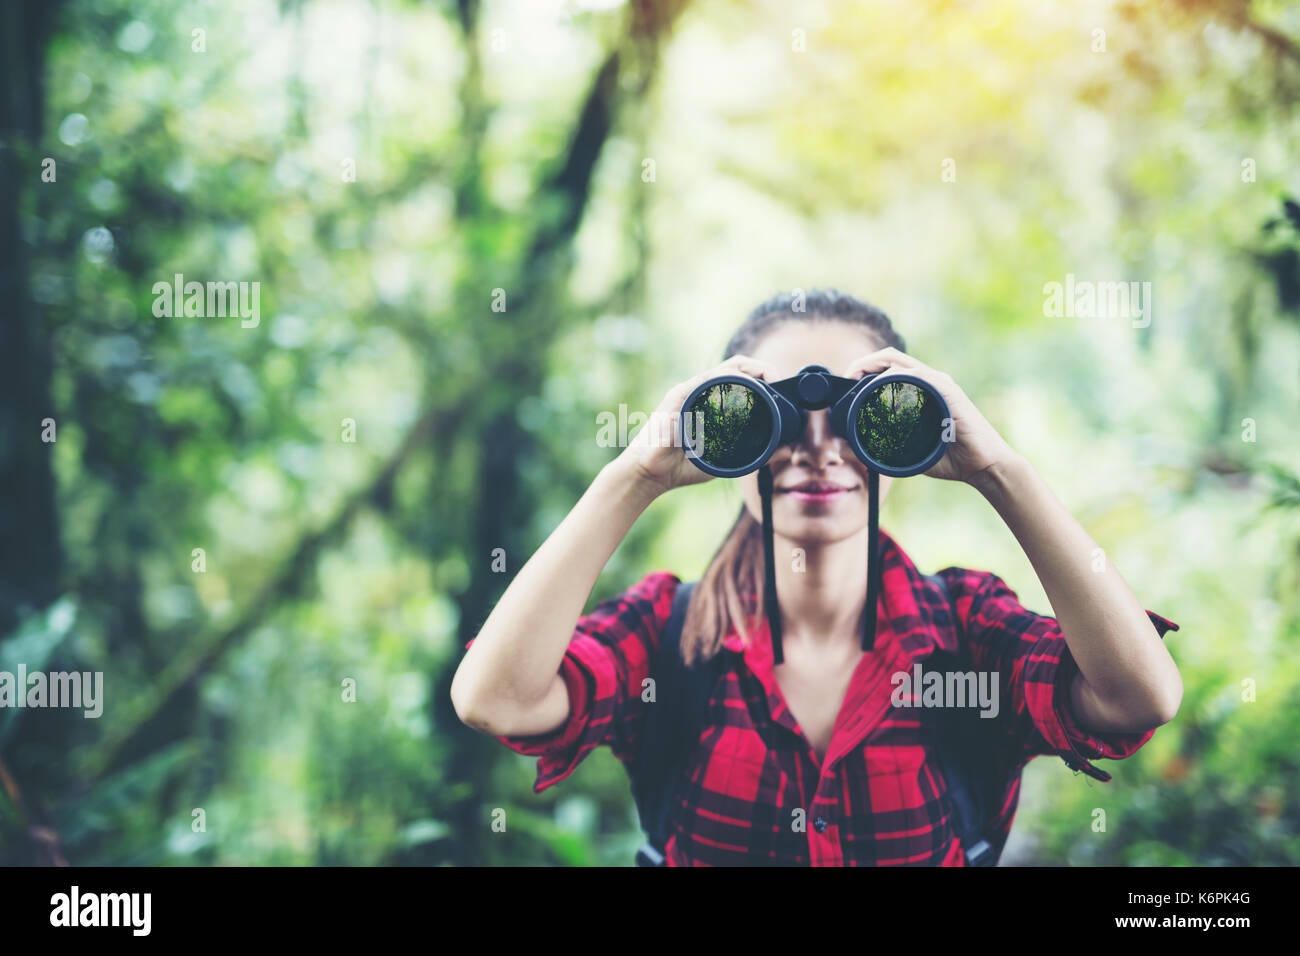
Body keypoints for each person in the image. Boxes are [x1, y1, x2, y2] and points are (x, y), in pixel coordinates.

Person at [451, 288, 1181, 866]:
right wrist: (635, 474)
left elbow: (1139, 698)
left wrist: (998, 470)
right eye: (769, 418)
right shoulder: (666, 640)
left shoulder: (966, 629)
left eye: (867, 418)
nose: (818, 447)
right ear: (722, 439)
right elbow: (497, 699)